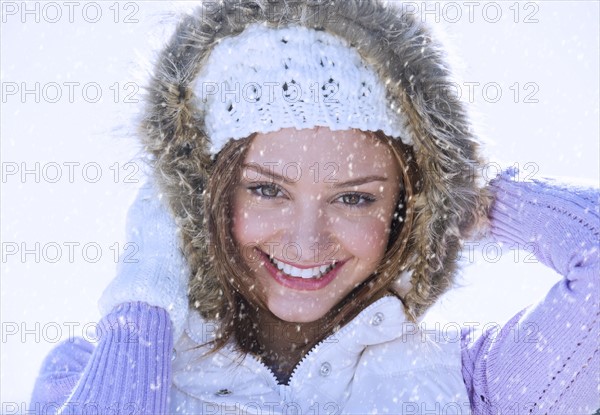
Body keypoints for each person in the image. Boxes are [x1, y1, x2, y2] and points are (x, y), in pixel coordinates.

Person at [30, 0, 599, 414]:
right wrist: (148, 289)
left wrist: (470, 198)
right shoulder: (92, 372)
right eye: (266, 189)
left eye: (354, 198)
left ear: (408, 210)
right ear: (205, 195)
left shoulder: (465, 382)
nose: (306, 243)